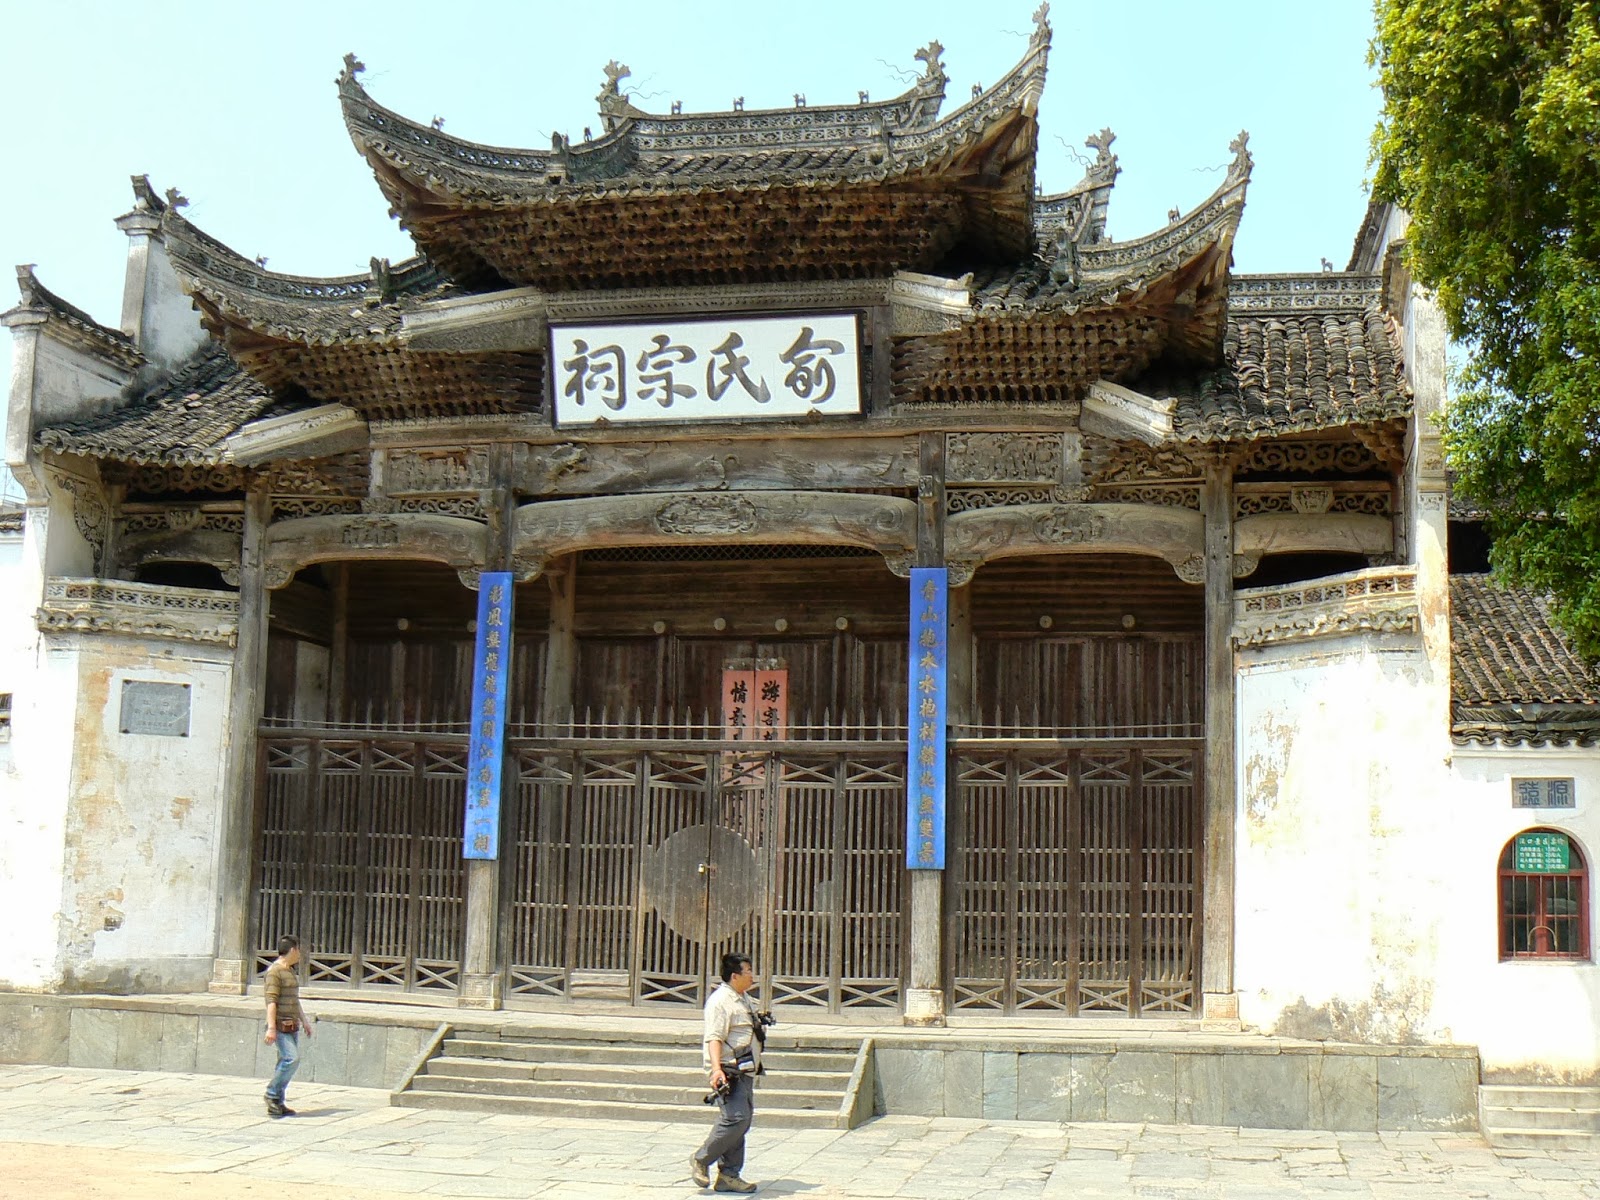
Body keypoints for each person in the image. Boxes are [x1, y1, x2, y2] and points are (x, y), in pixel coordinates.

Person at [689, 953, 762, 1193]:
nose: (752, 975)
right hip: (728, 1070)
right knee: (735, 1118)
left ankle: (729, 1175)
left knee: (743, 1121)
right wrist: (716, 1069)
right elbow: (714, 1037)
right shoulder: (720, 1001)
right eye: (748, 971)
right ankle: (701, 1158)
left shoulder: (744, 999)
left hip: (746, 1069)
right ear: (734, 976)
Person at [262, 934, 313, 1118]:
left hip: (292, 1024)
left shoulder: (289, 971)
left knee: (283, 1061)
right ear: (292, 950)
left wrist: (304, 1020)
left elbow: (294, 1000)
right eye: (298, 950)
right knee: (292, 1059)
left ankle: (278, 1102)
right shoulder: (274, 972)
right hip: (279, 1025)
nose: (299, 954)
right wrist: (271, 1027)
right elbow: (271, 1001)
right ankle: (271, 1094)